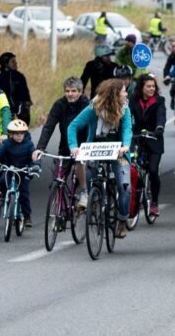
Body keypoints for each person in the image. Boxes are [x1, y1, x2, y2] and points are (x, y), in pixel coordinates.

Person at [67, 79, 134, 238]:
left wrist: (125, 145)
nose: (126, 94)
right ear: (114, 94)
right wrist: (74, 147)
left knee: (125, 187)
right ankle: (92, 200)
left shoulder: (125, 108)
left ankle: (122, 220)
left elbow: (127, 128)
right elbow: (73, 126)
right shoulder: (94, 107)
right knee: (88, 176)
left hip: (118, 152)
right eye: (123, 91)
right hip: (95, 150)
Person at [35, 77, 89, 208]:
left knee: (80, 169)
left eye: (73, 91)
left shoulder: (86, 105)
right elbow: (49, 127)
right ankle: (58, 208)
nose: (70, 94)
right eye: (67, 91)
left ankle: (84, 193)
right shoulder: (59, 105)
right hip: (65, 148)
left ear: (80, 92)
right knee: (57, 178)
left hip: (83, 147)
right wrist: (40, 148)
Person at [128, 73, 167, 219]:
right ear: (141, 88)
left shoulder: (159, 100)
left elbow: (161, 116)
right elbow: (128, 116)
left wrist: (159, 127)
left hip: (154, 138)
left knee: (153, 171)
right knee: (133, 168)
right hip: (137, 138)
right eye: (148, 86)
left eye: (153, 86)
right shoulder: (133, 100)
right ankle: (134, 200)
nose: (152, 89)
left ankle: (154, 202)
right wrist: (127, 130)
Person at [0, 118, 36, 227]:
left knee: (24, 193)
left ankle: (27, 216)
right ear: (11, 134)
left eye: (22, 134)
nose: (19, 136)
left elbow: (34, 156)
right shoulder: (7, 143)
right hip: (10, 170)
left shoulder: (29, 144)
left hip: (23, 171)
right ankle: (3, 196)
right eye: (16, 134)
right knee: (2, 181)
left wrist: (36, 166)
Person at [0, 52, 32, 124]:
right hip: (4, 111)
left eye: (15, 61)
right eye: (13, 61)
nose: (16, 63)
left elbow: (26, 94)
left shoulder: (20, 76)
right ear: (5, 64)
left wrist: (26, 107)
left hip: (20, 112)